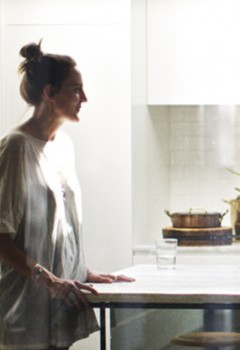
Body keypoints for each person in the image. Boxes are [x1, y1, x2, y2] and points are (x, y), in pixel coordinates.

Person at [0, 40, 134, 350]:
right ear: (49, 93)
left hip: (59, 305)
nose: (84, 98)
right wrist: (50, 281)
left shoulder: (63, 147)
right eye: (76, 90)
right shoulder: (17, 147)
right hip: (24, 308)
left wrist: (80, 271)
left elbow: (58, 226)